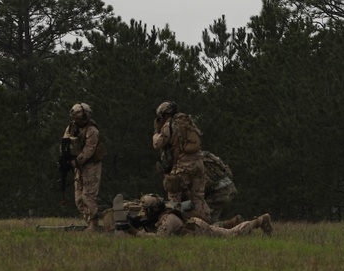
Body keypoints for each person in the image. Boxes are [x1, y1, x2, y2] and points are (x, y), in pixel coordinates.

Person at [152, 101, 211, 221]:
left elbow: (157, 144)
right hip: (198, 163)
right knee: (199, 198)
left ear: (165, 114)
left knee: (174, 194)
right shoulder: (188, 121)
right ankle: (206, 224)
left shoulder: (169, 125)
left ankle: (176, 222)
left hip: (183, 164)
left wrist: (156, 132)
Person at [131, 194, 271, 237]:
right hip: (196, 226)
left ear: (154, 210)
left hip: (199, 230)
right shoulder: (163, 214)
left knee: (232, 235)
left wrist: (136, 233)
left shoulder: (168, 218)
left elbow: (159, 239)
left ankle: (259, 221)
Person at [63, 102, 105, 230]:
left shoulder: (92, 130)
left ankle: (93, 224)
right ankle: (88, 221)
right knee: (79, 198)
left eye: (79, 118)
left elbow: (88, 151)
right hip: (78, 167)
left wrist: (75, 162)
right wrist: (65, 159)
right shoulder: (71, 128)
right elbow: (65, 142)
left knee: (88, 196)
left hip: (91, 165)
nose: (77, 121)